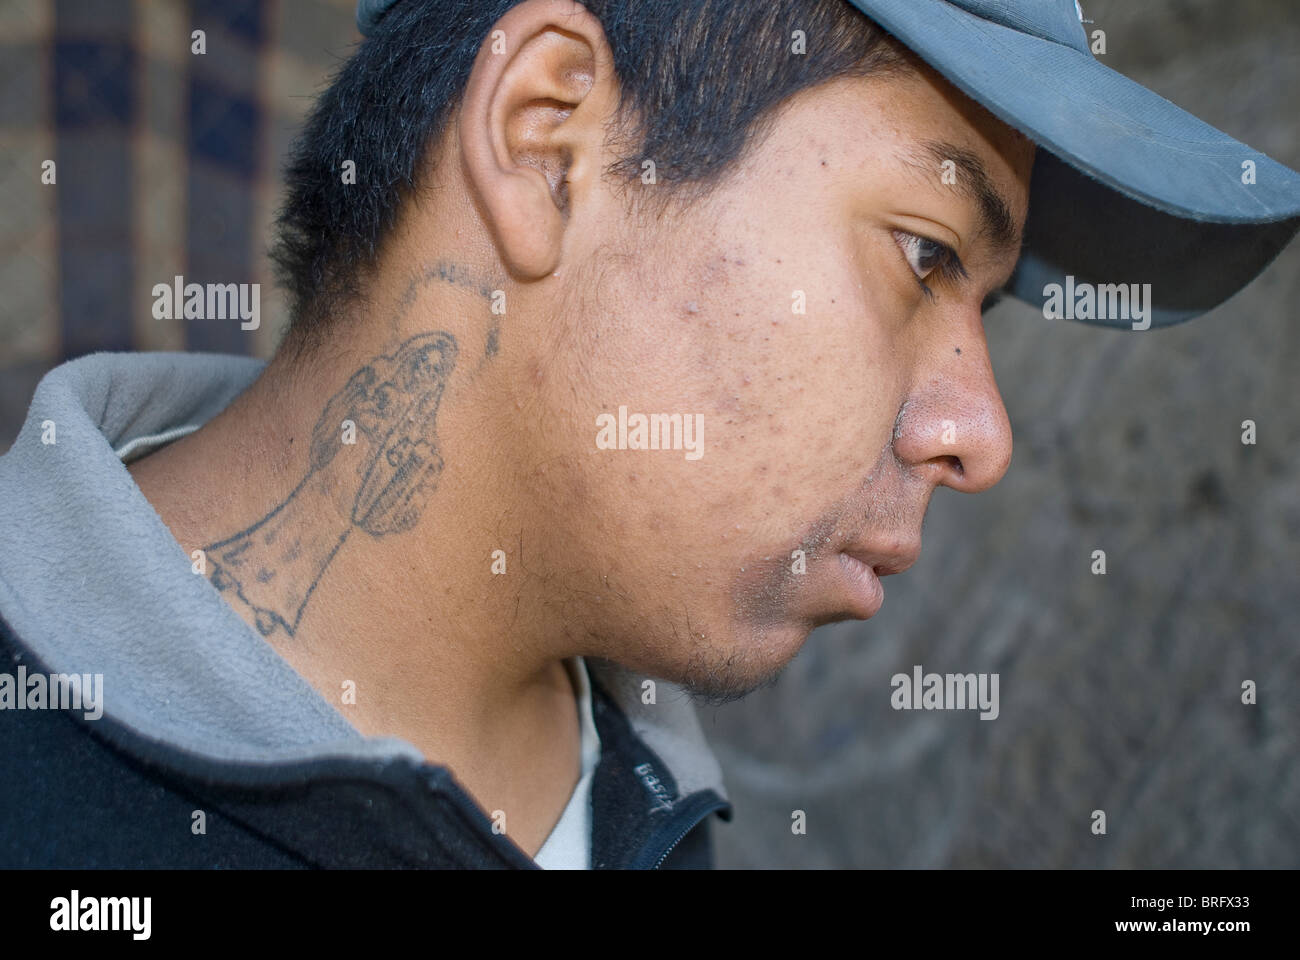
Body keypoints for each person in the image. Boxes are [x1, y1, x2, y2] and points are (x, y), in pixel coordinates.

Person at [1, 0, 1297, 869]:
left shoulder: (654, 799)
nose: (979, 431)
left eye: (983, 309)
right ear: (548, 142)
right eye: (925, 254)